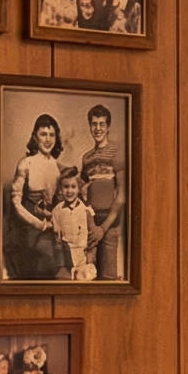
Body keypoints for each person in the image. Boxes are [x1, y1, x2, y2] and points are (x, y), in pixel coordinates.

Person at [4, 111, 66, 280]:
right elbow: (16, 204)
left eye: (52, 135)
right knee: (44, 260)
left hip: (52, 226)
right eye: (43, 134)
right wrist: (40, 225)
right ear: (35, 137)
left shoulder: (58, 167)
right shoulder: (26, 164)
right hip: (28, 228)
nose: (48, 139)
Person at [80, 103, 125, 281]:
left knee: (107, 278)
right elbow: (83, 192)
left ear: (108, 127)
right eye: (94, 124)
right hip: (90, 224)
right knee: (89, 275)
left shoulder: (116, 151)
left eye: (102, 124)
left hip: (109, 223)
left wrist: (103, 228)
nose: (97, 128)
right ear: (90, 126)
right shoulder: (86, 158)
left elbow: (121, 196)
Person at [48, 168, 97, 280]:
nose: (69, 191)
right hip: (66, 258)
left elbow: (92, 239)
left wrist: (90, 260)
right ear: (60, 189)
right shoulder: (57, 211)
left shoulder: (86, 211)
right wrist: (61, 265)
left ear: (78, 188)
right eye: (66, 187)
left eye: (73, 187)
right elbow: (56, 240)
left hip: (83, 258)